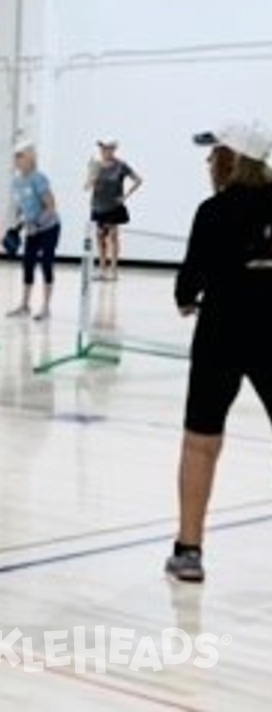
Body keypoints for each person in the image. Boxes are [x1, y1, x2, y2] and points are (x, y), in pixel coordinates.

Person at [165, 120, 272, 582]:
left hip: (222, 334)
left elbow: (187, 288)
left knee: (201, 441)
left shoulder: (212, 212)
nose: (209, 161)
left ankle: (189, 551)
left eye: (214, 154)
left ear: (231, 160)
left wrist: (189, 298)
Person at [5, 141, 61, 321]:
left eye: (21, 156)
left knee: (46, 264)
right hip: (31, 230)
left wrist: (37, 224)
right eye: (16, 156)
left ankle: (46, 308)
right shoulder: (16, 182)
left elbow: (51, 206)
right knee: (27, 264)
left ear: (30, 157)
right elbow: (22, 207)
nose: (18, 160)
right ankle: (24, 305)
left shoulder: (39, 178)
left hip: (49, 227)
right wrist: (17, 226)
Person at [84, 138, 144, 281]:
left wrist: (125, 196)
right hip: (98, 206)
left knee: (113, 237)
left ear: (113, 149)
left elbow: (138, 180)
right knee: (100, 238)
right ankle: (102, 269)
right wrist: (92, 173)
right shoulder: (96, 165)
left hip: (114, 207)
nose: (105, 151)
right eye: (103, 148)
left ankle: (114, 270)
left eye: (108, 148)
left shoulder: (120, 165)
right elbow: (87, 186)